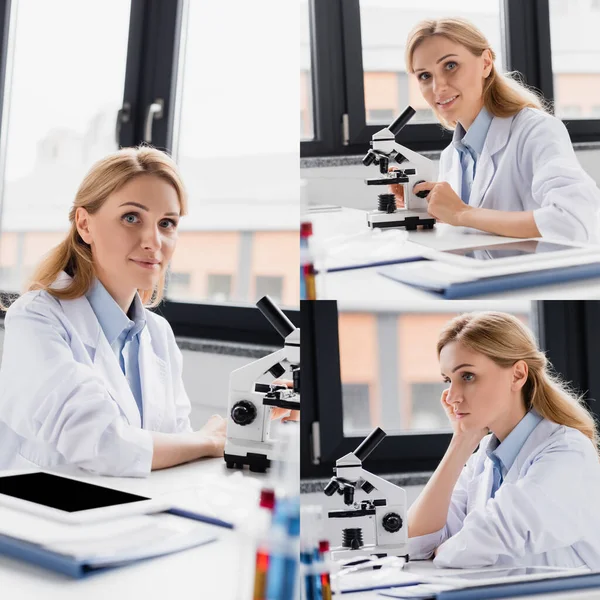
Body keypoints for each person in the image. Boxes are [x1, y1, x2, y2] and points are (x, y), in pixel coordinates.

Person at [0, 147, 229, 477]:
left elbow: (175, 449)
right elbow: (103, 445)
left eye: (167, 223)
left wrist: (223, 436)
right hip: (42, 518)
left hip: (133, 514)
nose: (154, 241)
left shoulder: (158, 333)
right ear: (84, 224)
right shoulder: (36, 319)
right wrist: (206, 442)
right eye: (131, 218)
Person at [408, 312, 600, 569]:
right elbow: (416, 541)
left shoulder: (567, 451)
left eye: (467, 376)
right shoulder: (482, 462)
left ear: (518, 375)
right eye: (447, 380)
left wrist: (445, 552)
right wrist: (462, 441)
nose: (452, 396)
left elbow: (500, 531)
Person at [391, 18, 600, 243]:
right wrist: (427, 210)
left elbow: (575, 220)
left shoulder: (537, 131)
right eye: (425, 75)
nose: (438, 87)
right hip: (478, 273)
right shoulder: (452, 156)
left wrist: (461, 212)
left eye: (450, 65)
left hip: (534, 275)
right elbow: (475, 230)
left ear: (486, 63)